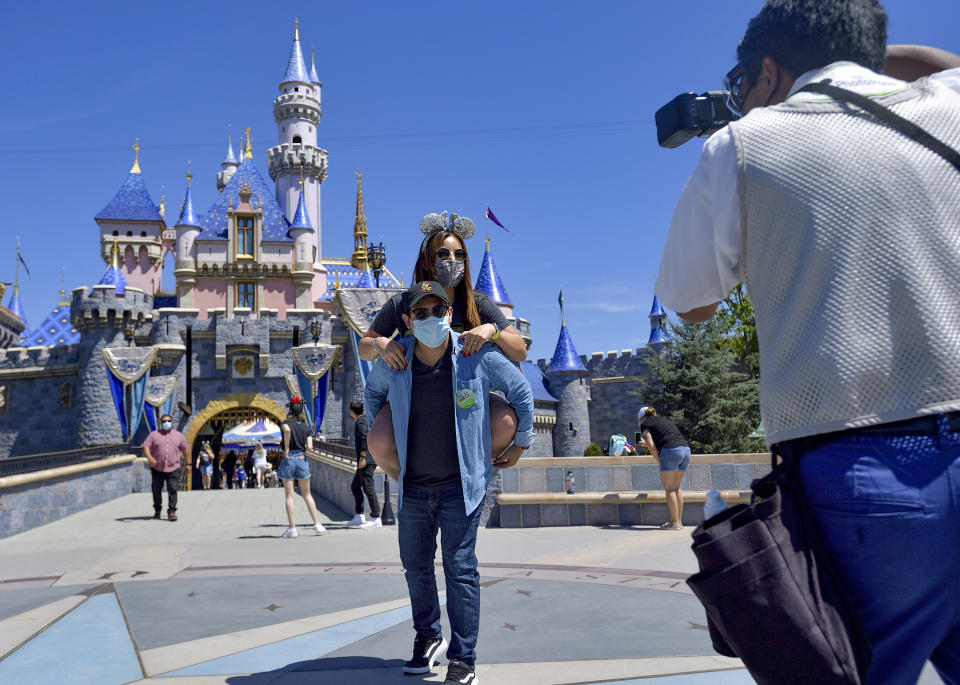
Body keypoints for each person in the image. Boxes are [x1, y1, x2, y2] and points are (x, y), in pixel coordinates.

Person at [655, 2, 960, 681]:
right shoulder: (949, 107)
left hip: (860, 470)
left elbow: (690, 302)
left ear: (768, 69)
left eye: (742, 82)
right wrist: (866, 57)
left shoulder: (745, 144)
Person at [365, 280, 534, 684]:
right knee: (416, 569)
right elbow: (373, 396)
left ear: (448, 315)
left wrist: (522, 443)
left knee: (460, 570)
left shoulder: (474, 355)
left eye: (436, 311)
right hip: (415, 487)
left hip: (461, 487)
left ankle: (463, 658)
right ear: (407, 320)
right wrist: (386, 439)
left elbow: (521, 394)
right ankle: (427, 639)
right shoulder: (396, 359)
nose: (429, 319)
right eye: (420, 313)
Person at [359, 211, 528, 484]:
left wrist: (491, 330)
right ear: (428, 259)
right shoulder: (404, 303)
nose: (452, 261)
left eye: (459, 255)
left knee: (505, 420)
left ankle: (466, 475)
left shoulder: (477, 303)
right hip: (416, 400)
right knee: (378, 439)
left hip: (465, 399)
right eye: (444, 254)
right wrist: (381, 343)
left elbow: (520, 350)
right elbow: (364, 347)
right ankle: (412, 488)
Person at [277, 397, 326, 538]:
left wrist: (286, 448)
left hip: (288, 459)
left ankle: (292, 529)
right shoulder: (306, 427)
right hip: (302, 459)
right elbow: (310, 447)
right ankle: (317, 525)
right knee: (307, 494)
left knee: (289, 496)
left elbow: (286, 430)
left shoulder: (285, 423)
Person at [637, 407, 690, 530]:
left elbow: (650, 444)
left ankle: (674, 523)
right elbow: (667, 437)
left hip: (671, 451)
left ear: (641, 418)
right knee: (676, 488)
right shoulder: (664, 421)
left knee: (670, 489)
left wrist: (659, 459)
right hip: (685, 450)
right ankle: (678, 521)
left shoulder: (645, 424)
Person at [142, 413, 190, 521]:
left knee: (172, 489)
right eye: (164, 421)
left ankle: (172, 511)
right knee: (156, 490)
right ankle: (157, 509)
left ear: (171, 422)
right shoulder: (154, 435)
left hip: (173, 468)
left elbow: (186, 449)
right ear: (161, 423)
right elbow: (145, 446)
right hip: (157, 468)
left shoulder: (179, 436)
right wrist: (149, 457)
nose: (166, 423)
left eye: (168, 421)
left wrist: (188, 464)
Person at [348, 400, 381, 529]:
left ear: (352, 411)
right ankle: (359, 515)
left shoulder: (361, 422)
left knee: (368, 488)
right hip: (365, 460)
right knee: (355, 486)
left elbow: (364, 438)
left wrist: (362, 457)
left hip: (366, 461)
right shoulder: (362, 420)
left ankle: (376, 517)